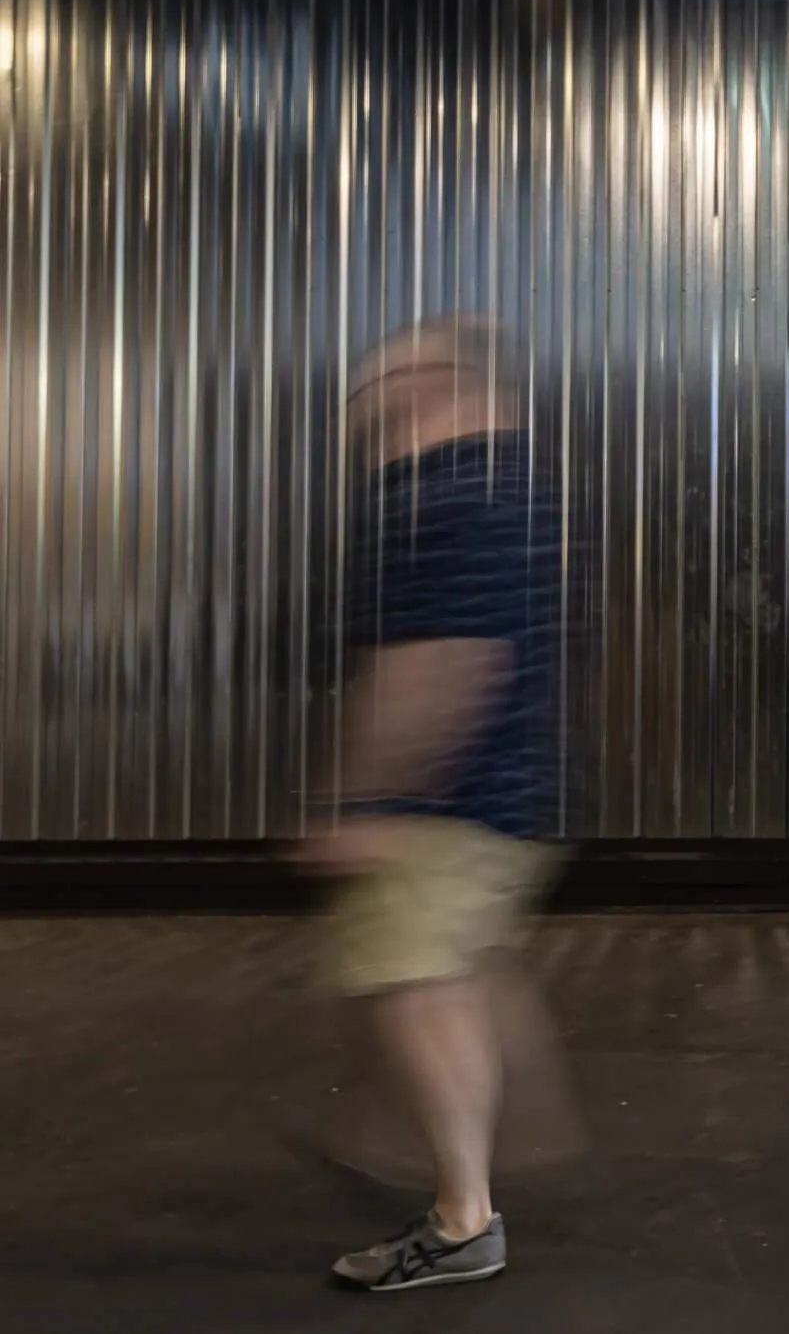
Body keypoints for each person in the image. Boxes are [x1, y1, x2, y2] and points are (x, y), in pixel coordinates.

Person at [297, 315, 570, 1289]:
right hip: (497, 800)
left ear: (444, 385)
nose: (368, 404)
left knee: (410, 978)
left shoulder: (450, 498)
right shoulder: (502, 487)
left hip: (447, 809)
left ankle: (463, 1219)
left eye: (388, 384)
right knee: (452, 973)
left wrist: (371, 799)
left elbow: (442, 667)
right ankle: (484, 1136)